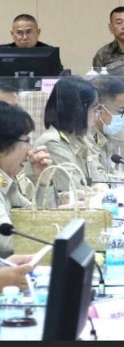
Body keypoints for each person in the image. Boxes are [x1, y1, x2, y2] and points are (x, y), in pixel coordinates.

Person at [32, 77, 107, 202]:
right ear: (78, 110)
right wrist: (96, 190)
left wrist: (101, 187)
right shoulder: (52, 143)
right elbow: (76, 190)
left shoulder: (79, 138)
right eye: (94, 110)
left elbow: (98, 181)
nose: (97, 117)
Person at [0, 102, 51, 258]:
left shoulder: (6, 179)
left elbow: (38, 218)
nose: (30, 151)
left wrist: (43, 182)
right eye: (26, 141)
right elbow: (6, 243)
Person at [88, 75, 124, 178]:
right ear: (100, 109)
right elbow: (100, 179)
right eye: (121, 110)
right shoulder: (87, 138)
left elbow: (111, 174)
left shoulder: (105, 134)